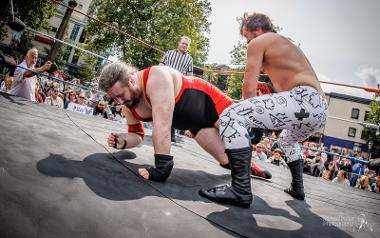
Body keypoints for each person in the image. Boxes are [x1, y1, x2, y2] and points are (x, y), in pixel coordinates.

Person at [199, 13, 329, 208]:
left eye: (246, 36)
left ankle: (240, 189)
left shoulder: (259, 42)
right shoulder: (283, 44)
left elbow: (248, 89)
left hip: (302, 99)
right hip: (319, 108)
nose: (246, 42)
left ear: (256, 30)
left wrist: (252, 122)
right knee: (286, 140)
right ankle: (298, 187)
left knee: (231, 116)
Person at [98, 62, 269, 183]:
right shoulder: (128, 104)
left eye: (120, 95)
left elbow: (162, 126)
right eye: (114, 98)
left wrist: (161, 167)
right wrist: (123, 141)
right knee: (228, 162)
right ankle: (250, 166)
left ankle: (258, 104)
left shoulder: (156, 76)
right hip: (196, 125)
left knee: (254, 137)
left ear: (131, 80)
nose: (118, 102)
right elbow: (138, 135)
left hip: (210, 103)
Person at [160, 36, 194, 142]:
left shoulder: (189, 59)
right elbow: (160, 66)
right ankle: (160, 130)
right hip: (165, 83)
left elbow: (189, 75)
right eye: (183, 43)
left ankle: (171, 132)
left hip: (178, 86)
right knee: (162, 107)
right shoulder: (169, 53)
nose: (184, 45)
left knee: (175, 109)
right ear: (179, 43)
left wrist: (189, 89)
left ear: (188, 47)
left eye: (186, 44)